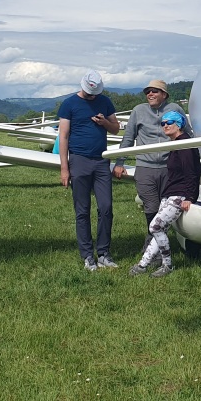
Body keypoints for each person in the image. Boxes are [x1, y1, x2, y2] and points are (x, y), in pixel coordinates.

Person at [113, 79, 190, 248]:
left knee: (165, 209)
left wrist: (194, 160)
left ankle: (156, 248)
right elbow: (128, 138)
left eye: (154, 91)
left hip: (170, 168)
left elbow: (188, 136)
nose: (150, 94)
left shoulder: (175, 109)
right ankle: (152, 246)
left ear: (164, 94)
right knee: (152, 207)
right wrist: (119, 162)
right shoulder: (138, 111)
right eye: (148, 91)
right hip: (145, 167)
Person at [58, 70, 120, 271]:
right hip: (79, 160)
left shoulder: (105, 102)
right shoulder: (69, 104)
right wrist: (64, 168)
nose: (92, 96)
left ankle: (103, 253)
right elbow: (63, 136)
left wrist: (104, 123)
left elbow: (116, 128)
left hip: (101, 160)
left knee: (106, 207)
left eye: (95, 94)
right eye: (89, 93)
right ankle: (87, 255)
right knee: (82, 210)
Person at [129, 110, 199, 278]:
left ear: (179, 125)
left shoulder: (184, 144)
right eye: (163, 123)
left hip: (179, 195)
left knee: (155, 227)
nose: (165, 126)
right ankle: (143, 265)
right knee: (159, 229)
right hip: (169, 193)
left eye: (169, 122)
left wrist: (190, 197)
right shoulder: (175, 144)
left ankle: (167, 265)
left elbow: (191, 172)